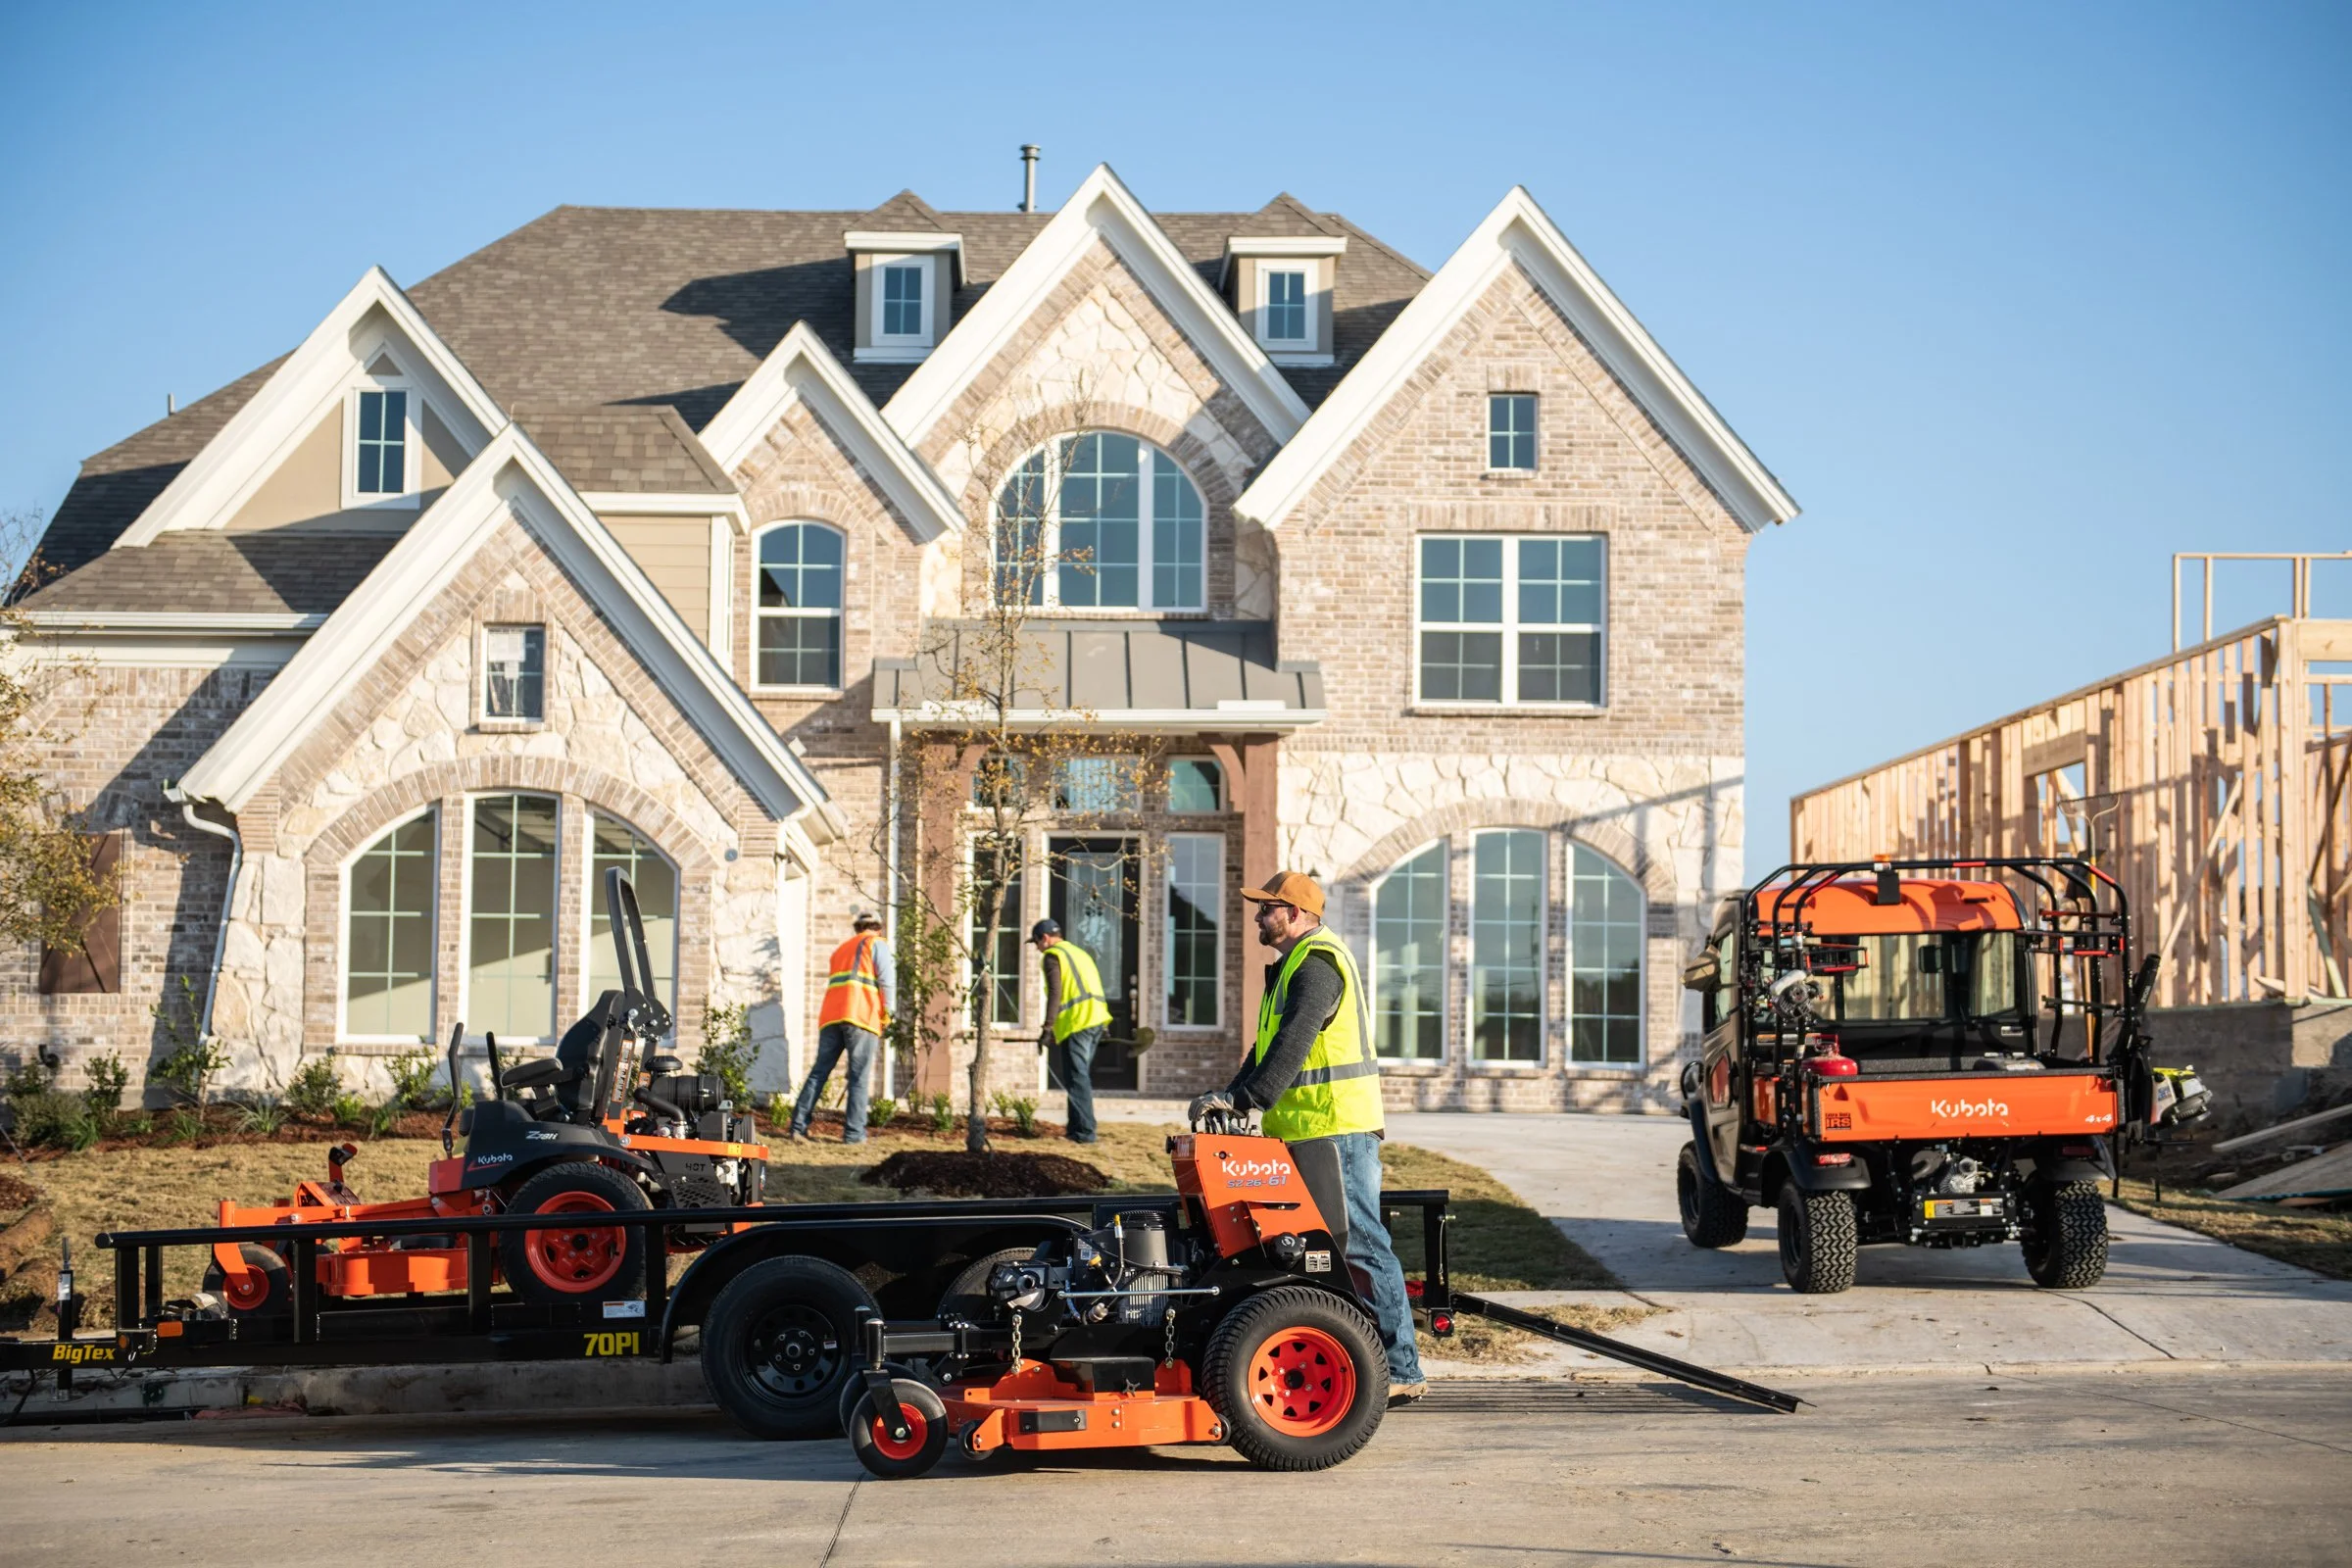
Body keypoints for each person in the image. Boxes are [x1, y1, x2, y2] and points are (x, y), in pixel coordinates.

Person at [1188, 869, 1427, 1407]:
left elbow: (1295, 1043)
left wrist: (1248, 1102)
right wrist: (1231, 1095)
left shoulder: (1318, 964)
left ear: (1295, 913)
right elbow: (1266, 1047)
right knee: (1312, 1250)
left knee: (1362, 1243)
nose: (1256, 916)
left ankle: (1404, 1368)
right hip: (1306, 1129)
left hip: (1336, 1126)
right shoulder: (1291, 967)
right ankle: (1352, 1352)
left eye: (1266, 908)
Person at [791, 909, 893, 1144]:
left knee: (820, 1071)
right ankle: (854, 1135)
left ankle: (798, 1127)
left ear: (856, 928)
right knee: (859, 1077)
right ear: (878, 927)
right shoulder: (878, 944)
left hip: (831, 1017)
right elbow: (887, 981)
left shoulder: (841, 950)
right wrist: (888, 1014)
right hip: (861, 1016)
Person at [1031, 918, 1108, 1145]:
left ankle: (1085, 1133)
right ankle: (1075, 1130)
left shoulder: (1053, 956)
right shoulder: (1080, 953)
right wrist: (1105, 1026)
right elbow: (1095, 986)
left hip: (1077, 1023)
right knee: (1077, 1077)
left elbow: (1055, 992)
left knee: (1077, 1077)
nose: (1037, 948)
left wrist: (1047, 1028)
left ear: (1045, 938)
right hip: (1095, 1021)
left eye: (1036, 943)